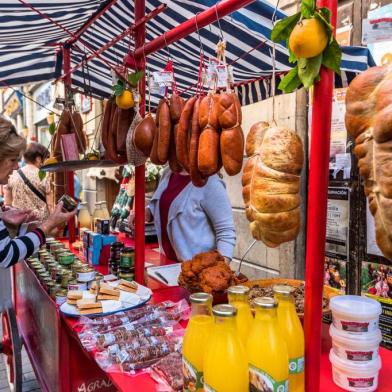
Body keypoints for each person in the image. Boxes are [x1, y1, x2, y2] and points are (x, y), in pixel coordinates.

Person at [0, 116, 76, 268]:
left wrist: (5, 218)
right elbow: (6, 255)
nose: (16, 167)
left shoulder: (13, 178)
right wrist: (48, 225)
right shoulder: (44, 177)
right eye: (12, 160)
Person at [129, 167, 236, 262]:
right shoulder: (168, 172)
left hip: (197, 273)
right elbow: (162, 204)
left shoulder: (211, 182)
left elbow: (226, 232)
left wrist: (220, 271)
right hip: (168, 266)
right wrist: (146, 213)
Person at [5, 142, 51, 221]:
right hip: (41, 226)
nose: (46, 161)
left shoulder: (12, 175)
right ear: (38, 159)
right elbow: (50, 205)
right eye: (46, 158)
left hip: (19, 225)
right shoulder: (45, 176)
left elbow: (8, 204)